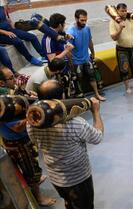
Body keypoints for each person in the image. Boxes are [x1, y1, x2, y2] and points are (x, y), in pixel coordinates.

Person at [27, 79, 104, 209]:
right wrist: (96, 112)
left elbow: (35, 142)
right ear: (61, 99)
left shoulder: (32, 121)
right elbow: (97, 137)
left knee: (68, 200)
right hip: (78, 179)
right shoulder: (75, 123)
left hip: (56, 178)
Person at [0, 66, 56, 206]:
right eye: (11, 78)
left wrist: (28, 98)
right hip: (17, 142)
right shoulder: (3, 104)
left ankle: (35, 178)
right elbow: (17, 127)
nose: (15, 79)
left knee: (33, 164)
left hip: (22, 140)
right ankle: (39, 197)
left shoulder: (10, 93)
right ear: (1, 83)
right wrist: (32, 114)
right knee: (30, 170)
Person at [67, 9, 106, 101]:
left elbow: (89, 41)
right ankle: (82, 100)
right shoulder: (71, 32)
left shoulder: (87, 28)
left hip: (86, 58)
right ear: (76, 19)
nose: (84, 22)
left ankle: (97, 94)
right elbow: (68, 49)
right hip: (76, 61)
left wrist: (93, 52)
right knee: (78, 80)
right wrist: (71, 62)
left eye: (85, 20)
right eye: (82, 20)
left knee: (92, 76)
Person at [109, 3, 133, 94]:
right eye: (122, 11)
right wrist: (120, 29)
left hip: (132, 48)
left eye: (125, 11)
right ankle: (127, 87)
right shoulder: (113, 21)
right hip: (122, 49)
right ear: (117, 11)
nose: (124, 13)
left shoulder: (131, 20)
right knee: (124, 69)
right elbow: (114, 38)